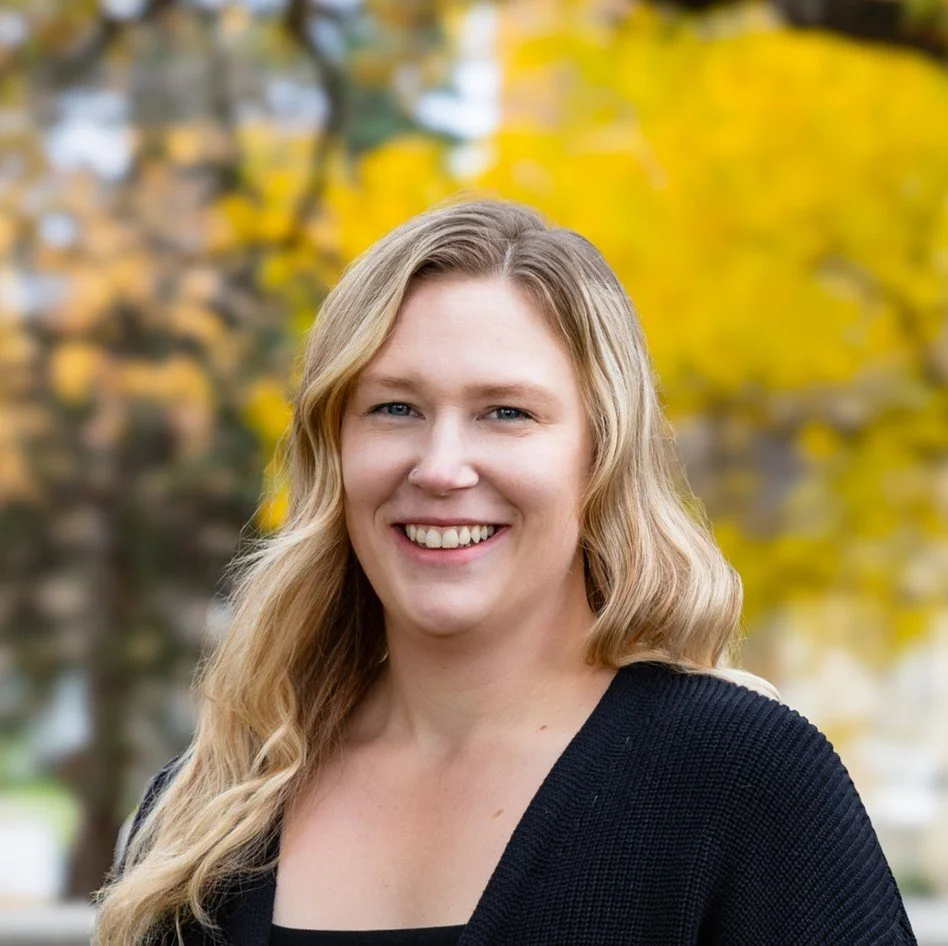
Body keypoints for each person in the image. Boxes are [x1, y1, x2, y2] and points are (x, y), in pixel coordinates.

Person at [95, 199, 916, 945]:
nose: (441, 467)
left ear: (600, 455)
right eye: (394, 408)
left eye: (506, 413)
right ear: (334, 449)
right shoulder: (207, 817)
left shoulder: (742, 782)